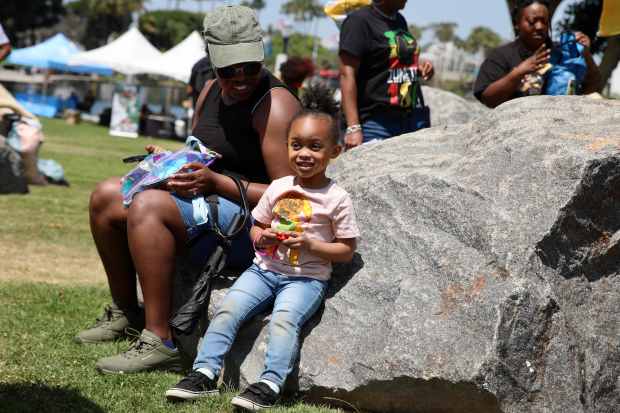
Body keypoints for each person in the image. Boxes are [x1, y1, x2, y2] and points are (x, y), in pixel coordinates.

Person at [73, 5, 301, 375]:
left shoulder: (275, 105)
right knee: (105, 196)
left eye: (249, 66)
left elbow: (290, 197)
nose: (240, 77)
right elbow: (203, 153)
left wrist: (216, 183)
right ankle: (125, 310)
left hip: (249, 226)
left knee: (147, 206)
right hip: (205, 200)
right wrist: (171, 164)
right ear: (211, 60)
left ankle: (160, 340)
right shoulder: (210, 90)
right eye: (229, 68)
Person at [164, 83, 359, 411]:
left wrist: (312, 244)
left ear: (334, 151)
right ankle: (204, 373)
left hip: (305, 279)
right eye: (296, 145)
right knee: (228, 310)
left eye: (315, 146)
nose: (304, 154)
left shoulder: (337, 198)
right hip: (264, 270)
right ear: (286, 147)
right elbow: (256, 226)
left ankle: (270, 383)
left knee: (285, 320)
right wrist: (260, 238)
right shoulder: (279, 187)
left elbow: (346, 250)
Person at [339, 0, 434, 150]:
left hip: (408, 120)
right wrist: (353, 127)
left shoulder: (399, 20)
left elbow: (390, 62)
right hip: (375, 123)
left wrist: (419, 68)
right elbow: (346, 74)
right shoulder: (359, 21)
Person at [473, 0, 602, 108]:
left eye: (544, 21)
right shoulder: (501, 56)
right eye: (532, 21)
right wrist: (518, 72)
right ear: (516, 24)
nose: (539, 26)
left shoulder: (563, 52)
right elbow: (488, 99)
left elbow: (592, 89)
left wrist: (585, 55)